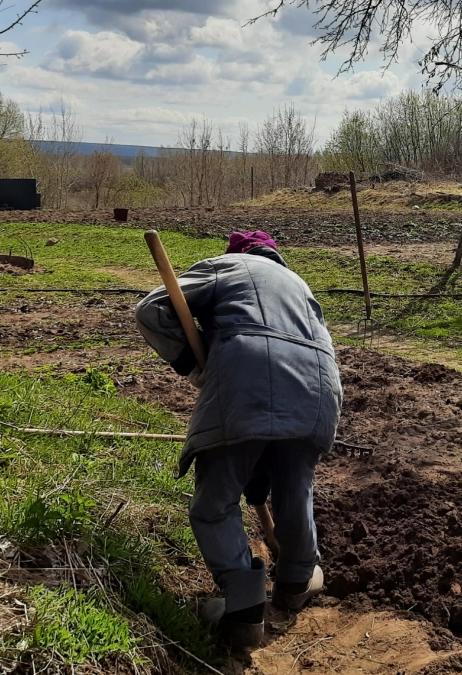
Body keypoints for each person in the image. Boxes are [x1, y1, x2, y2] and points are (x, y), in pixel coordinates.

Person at [135, 231, 343, 649]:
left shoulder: (228, 266)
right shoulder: (301, 286)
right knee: (294, 489)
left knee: (215, 503)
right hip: (321, 391)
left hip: (249, 379)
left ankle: (244, 609)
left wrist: (194, 364)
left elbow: (153, 309)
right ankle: (297, 581)